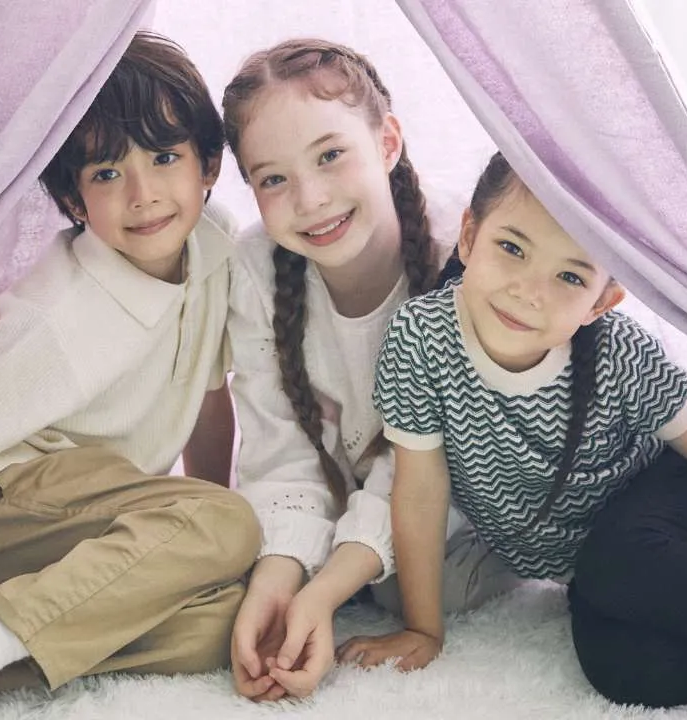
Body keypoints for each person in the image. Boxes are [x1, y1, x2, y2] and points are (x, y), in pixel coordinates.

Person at [0, 32, 260, 720]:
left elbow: (207, 396)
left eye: (164, 158)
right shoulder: (59, 315)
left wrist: (198, 540)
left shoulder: (216, 246)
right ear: (75, 201)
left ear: (209, 166)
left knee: (224, 617)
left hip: (76, 529)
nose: (142, 195)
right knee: (228, 523)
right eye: (106, 174)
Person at [346, 151, 687, 707]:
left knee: (615, 562)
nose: (528, 290)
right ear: (468, 237)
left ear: (601, 301)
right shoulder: (420, 339)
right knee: (625, 672)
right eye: (512, 248)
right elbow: (420, 490)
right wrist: (424, 630)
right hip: (607, 568)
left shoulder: (620, 353)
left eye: (569, 276)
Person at [220, 40, 521, 702]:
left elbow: (429, 471)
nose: (310, 199)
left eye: (330, 155)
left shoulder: (464, 255)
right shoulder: (258, 268)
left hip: (462, 493)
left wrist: (326, 592)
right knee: (256, 566)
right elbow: (279, 456)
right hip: (357, 493)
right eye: (273, 179)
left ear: (387, 142)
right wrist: (278, 580)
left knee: (419, 589)